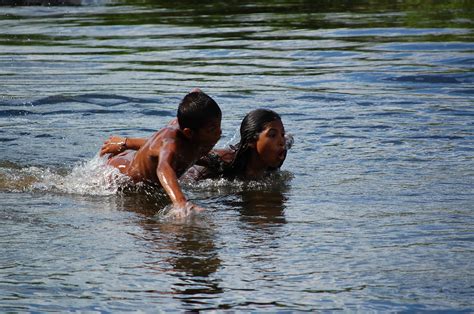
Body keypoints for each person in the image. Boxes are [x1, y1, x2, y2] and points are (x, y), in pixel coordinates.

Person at [99, 89, 222, 212]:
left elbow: (156, 144)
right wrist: (181, 202)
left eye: (219, 125)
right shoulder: (172, 142)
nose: (219, 132)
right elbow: (164, 167)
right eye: (212, 130)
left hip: (134, 156)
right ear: (188, 133)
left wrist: (127, 143)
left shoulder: (193, 125)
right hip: (120, 174)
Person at [187, 108, 292, 181]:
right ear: (251, 141)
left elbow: (288, 139)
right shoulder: (227, 160)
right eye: (272, 135)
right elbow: (187, 153)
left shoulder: (280, 152)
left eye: (282, 134)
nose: (281, 142)